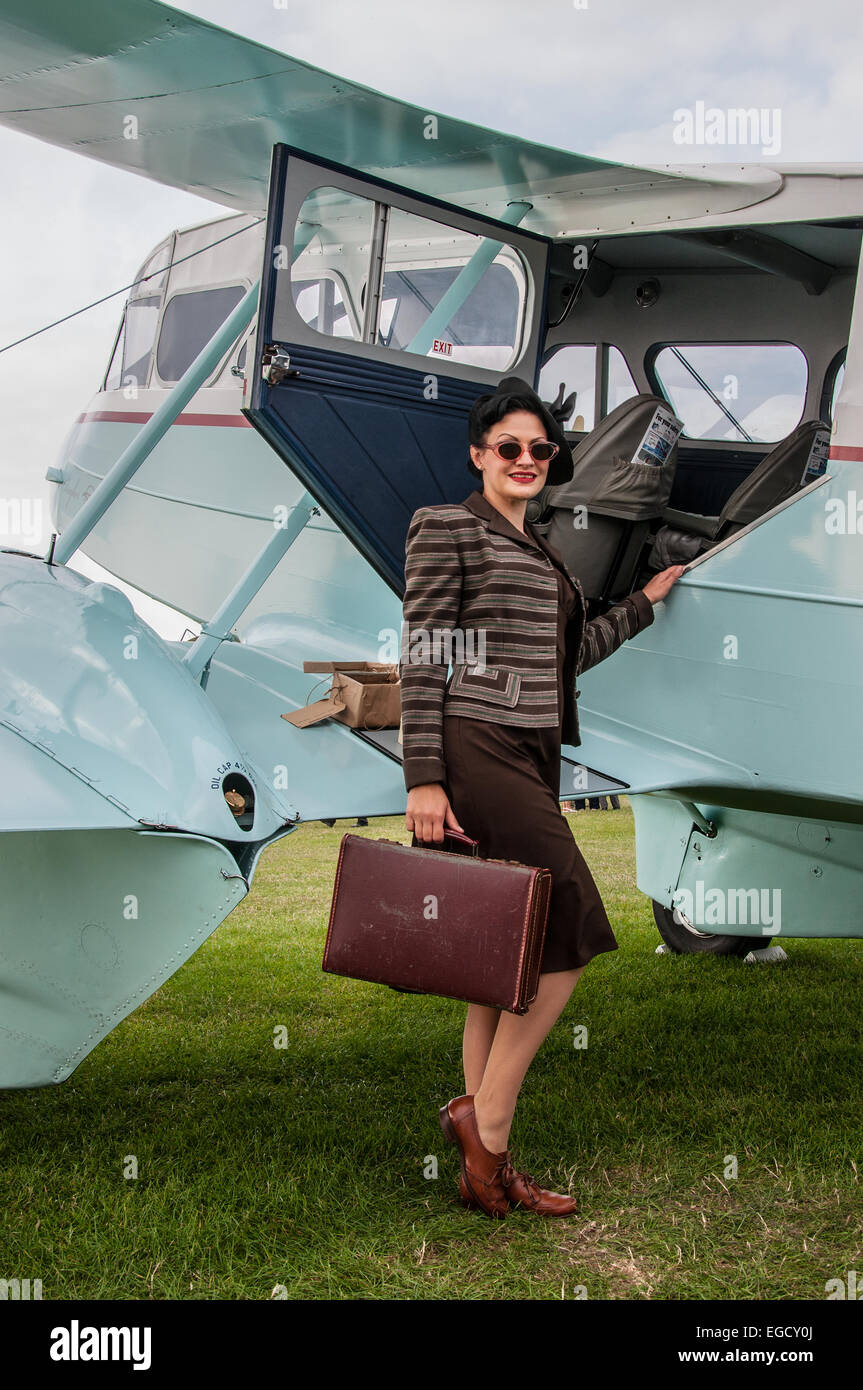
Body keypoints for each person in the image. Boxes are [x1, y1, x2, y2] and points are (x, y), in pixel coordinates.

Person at [400, 376, 684, 1219]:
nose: (526, 460)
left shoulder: (546, 551)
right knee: (570, 931)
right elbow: (423, 650)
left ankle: (484, 1172)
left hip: (531, 749)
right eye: (509, 447)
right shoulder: (446, 527)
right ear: (479, 455)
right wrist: (422, 775)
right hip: (476, 742)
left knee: (506, 949)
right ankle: (483, 1123)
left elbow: (566, 657)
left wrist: (642, 604)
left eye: (540, 449)